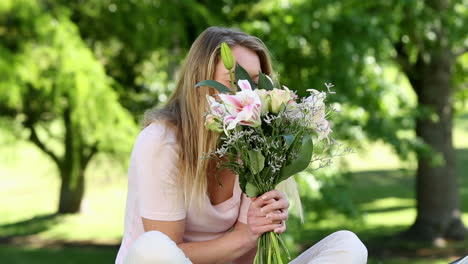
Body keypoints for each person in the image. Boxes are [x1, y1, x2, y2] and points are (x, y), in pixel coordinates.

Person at [115, 26, 368, 264]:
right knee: (154, 247)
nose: (247, 93)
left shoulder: (259, 144)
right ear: (201, 83)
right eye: (233, 80)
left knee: (348, 245)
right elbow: (167, 251)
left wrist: (263, 229)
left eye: (255, 82)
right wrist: (246, 235)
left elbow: (245, 260)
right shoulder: (160, 141)